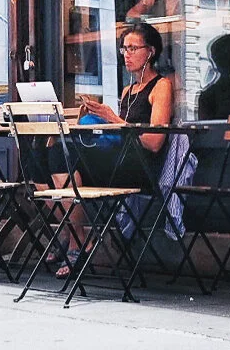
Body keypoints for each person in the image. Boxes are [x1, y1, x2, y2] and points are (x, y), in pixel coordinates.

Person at [49, 23, 173, 277]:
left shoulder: (161, 87)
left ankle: (75, 240)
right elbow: (120, 135)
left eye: (132, 48)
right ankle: (75, 236)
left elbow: (154, 142)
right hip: (118, 160)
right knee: (52, 156)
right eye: (124, 48)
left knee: (68, 157)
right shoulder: (128, 90)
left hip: (140, 167)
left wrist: (113, 119)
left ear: (150, 52)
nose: (126, 54)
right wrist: (99, 117)